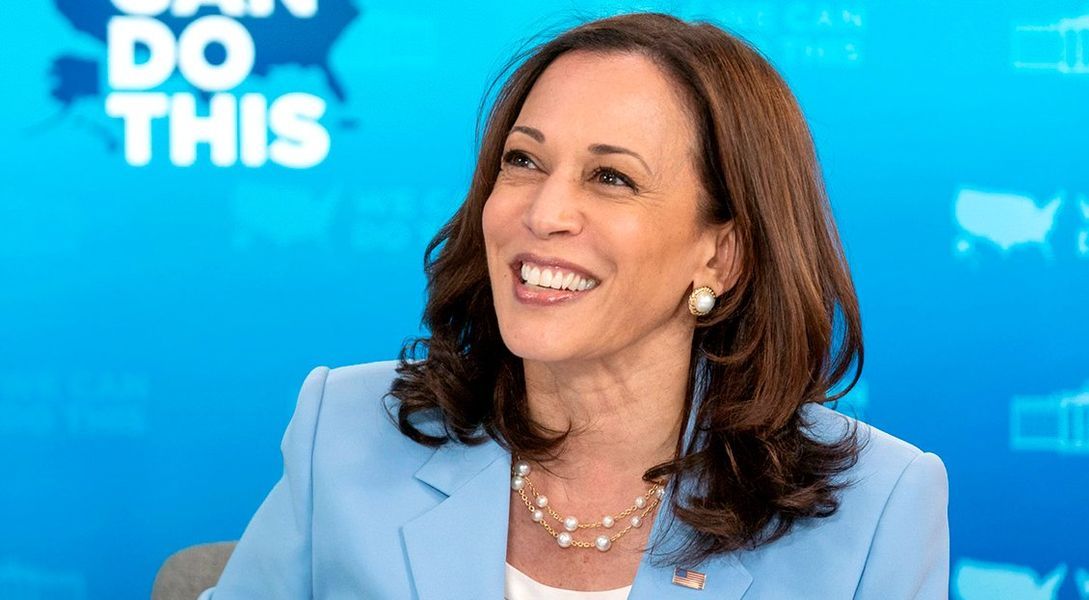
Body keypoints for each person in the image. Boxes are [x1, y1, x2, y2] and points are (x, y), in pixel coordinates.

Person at [200, 11, 948, 600]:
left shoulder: (875, 509)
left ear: (721, 254)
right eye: (523, 161)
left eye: (611, 178)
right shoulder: (344, 432)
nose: (545, 212)